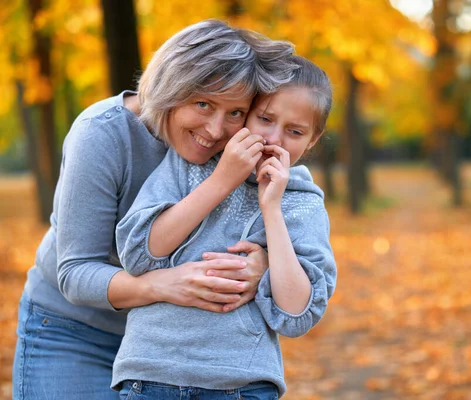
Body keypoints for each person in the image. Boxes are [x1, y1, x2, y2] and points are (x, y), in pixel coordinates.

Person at [12, 19, 299, 400]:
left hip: (167, 350)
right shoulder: (103, 134)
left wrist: (262, 262)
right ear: (169, 88)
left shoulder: (236, 145)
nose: (215, 130)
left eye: (234, 112)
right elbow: (76, 271)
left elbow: (258, 221)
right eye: (202, 104)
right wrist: (160, 286)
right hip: (74, 330)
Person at [113, 55, 336, 399]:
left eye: (294, 132)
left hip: (241, 384)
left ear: (312, 140)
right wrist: (223, 179)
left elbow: (297, 315)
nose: (274, 138)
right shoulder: (190, 163)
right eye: (265, 119)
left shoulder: (303, 202)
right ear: (244, 112)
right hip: (150, 375)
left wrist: (271, 209)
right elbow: (139, 253)